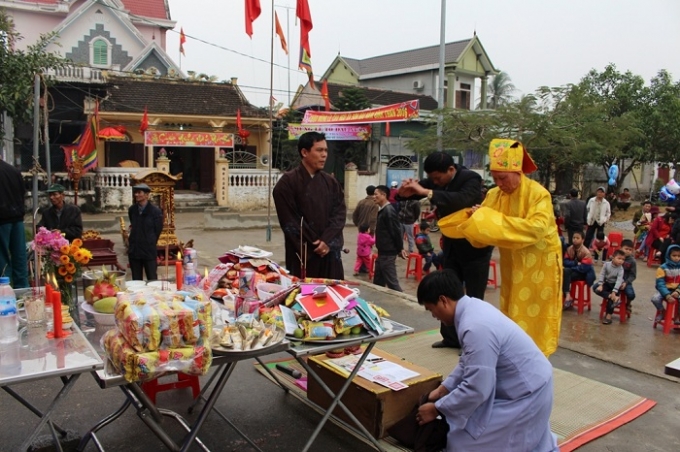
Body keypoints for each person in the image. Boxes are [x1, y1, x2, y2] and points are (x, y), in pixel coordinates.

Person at [438, 139, 562, 357]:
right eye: (495, 179)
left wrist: (488, 218)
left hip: (540, 262)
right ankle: (513, 352)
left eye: (503, 178)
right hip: (512, 259)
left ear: (517, 172)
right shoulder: (495, 195)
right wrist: (475, 218)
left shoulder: (538, 194)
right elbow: (484, 229)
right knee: (512, 305)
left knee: (535, 312)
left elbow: (538, 228)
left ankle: (536, 356)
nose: (499, 183)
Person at [415, 270, 558, 452]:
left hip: (528, 392)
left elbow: (478, 388)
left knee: (460, 443)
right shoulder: (473, 308)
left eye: (430, 309)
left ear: (443, 300)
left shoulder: (475, 326)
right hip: (527, 382)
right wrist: (445, 389)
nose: (433, 316)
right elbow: (469, 361)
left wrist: (437, 409)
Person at [398, 151, 492, 349]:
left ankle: (473, 344)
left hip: (475, 248)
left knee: (474, 298)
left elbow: (462, 199)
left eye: (438, 178)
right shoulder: (436, 181)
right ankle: (450, 338)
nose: (435, 182)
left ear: (451, 169)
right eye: (432, 179)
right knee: (447, 292)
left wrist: (426, 192)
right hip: (451, 247)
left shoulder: (471, 178)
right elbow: (417, 190)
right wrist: (404, 191)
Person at [273, 132, 346, 279]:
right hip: (303, 254)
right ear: (304, 152)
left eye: (326, 150)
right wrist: (315, 244)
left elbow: (339, 214)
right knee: (305, 296)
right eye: (319, 150)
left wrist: (327, 240)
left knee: (333, 295)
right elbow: (289, 221)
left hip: (330, 252)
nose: (324, 155)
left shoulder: (331, 183)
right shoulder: (287, 184)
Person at [0, 157, 29, 288]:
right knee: (20, 258)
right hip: (17, 219)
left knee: (2, 260)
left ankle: (4, 293)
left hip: (2, 221)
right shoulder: (13, 170)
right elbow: (23, 193)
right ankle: (23, 294)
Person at [373, 185, 407, 291]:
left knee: (392, 284)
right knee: (377, 283)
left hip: (388, 253)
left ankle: (403, 302)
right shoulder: (383, 210)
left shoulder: (389, 211)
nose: (374, 197)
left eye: (376, 194)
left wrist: (400, 249)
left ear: (383, 195)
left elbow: (396, 231)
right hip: (382, 252)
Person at [128, 183, 163, 281]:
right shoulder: (132, 210)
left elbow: (158, 230)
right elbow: (133, 225)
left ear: (147, 195)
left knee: (152, 279)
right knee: (136, 280)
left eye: (139, 192)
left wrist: (149, 240)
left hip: (148, 250)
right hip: (135, 250)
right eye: (136, 193)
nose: (136, 195)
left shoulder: (155, 211)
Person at [562, 231, 595, 309]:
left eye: (577, 238)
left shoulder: (586, 252)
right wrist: (575, 263)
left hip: (584, 274)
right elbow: (565, 261)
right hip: (573, 271)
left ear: (582, 240)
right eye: (574, 238)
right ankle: (567, 296)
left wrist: (572, 267)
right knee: (563, 274)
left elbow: (584, 268)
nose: (575, 240)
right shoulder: (569, 249)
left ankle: (567, 296)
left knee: (565, 273)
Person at [593, 249, 626, 325]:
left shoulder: (621, 269)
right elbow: (602, 274)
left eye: (623, 259)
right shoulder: (607, 265)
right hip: (607, 283)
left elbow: (618, 281)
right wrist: (600, 285)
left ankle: (608, 317)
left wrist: (614, 292)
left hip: (616, 286)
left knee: (611, 301)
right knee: (595, 288)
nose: (621, 261)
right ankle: (612, 297)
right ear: (613, 257)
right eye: (619, 258)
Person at [650, 244, 680, 323]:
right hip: (665, 289)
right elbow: (660, 283)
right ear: (668, 255)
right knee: (655, 299)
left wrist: (677, 291)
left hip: (677, 289)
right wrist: (666, 295)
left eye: (679, 256)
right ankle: (662, 311)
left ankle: (678, 316)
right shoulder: (662, 268)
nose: (677, 258)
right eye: (674, 255)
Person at [620, 239, 637, 316]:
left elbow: (633, 275)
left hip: (626, 281)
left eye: (630, 250)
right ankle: (610, 303)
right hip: (614, 280)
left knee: (631, 294)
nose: (628, 251)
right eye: (626, 249)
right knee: (599, 288)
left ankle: (628, 304)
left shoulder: (632, 261)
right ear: (621, 248)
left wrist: (626, 282)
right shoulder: (615, 257)